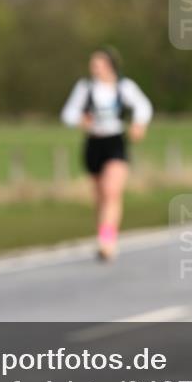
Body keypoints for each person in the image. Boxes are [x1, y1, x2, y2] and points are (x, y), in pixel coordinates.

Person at [61, 47, 152, 261]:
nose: (94, 68)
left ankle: (107, 241)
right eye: (92, 64)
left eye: (98, 64)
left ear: (110, 65)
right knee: (100, 196)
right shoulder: (85, 88)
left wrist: (139, 124)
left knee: (112, 192)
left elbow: (143, 106)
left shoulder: (124, 86)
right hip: (94, 143)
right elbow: (68, 114)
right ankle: (104, 234)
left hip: (115, 142)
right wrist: (79, 120)